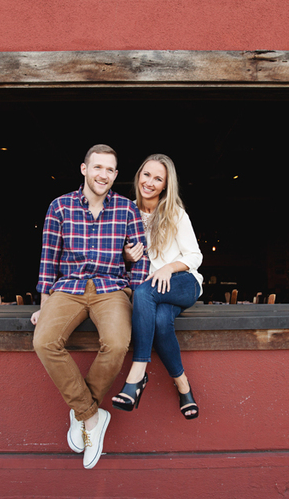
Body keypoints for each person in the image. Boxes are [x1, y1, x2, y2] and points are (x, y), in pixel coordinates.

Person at [31, 144, 149, 469]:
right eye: (98, 168)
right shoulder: (60, 206)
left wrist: (139, 305)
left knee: (116, 343)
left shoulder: (127, 210)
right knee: (43, 341)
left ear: (115, 175)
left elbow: (141, 263)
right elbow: (48, 261)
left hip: (111, 288)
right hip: (67, 288)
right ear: (84, 169)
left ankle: (82, 413)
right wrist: (44, 306)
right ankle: (93, 418)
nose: (104, 175)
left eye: (110, 170)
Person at [111, 154, 203, 420]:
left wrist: (167, 268)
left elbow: (195, 257)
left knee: (144, 291)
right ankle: (183, 385)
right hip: (151, 292)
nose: (150, 182)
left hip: (183, 282)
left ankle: (137, 373)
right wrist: (126, 258)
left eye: (158, 178)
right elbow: (112, 261)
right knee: (162, 321)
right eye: (147, 175)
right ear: (139, 175)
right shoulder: (125, 212)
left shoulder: (175, 213)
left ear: (165, 185)